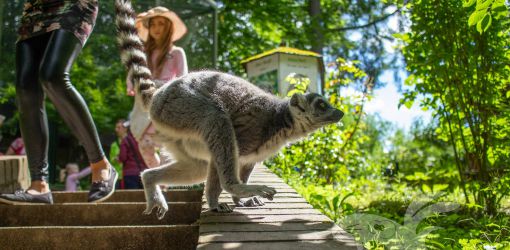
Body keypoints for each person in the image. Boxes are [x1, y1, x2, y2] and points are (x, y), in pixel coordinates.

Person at [0, 0, 116, 205]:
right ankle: (39, 185)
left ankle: (100, 164)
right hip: (35, 9)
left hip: (73, 4)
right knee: (26, 89)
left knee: (52, 76)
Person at [127, 6, 188, 168]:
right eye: (153, 24)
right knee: (145, 145)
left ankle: (166, 183)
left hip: (165, 102)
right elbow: (134, 71)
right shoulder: (143, 53)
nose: (156, 28)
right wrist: (130, 84)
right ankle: (159, 179)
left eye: (161, 24)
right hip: (145, 103)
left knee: (168, 148)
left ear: (168, 27)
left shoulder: (177, 52)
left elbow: (183, 78)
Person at [118, 123, 148, 189]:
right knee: (144, 198)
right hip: (145, 172)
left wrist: (118, 158)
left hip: (130, 174)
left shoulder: (126, 140)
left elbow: (123, 157)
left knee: (132, 197)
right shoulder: (144, 139)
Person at [109, 119, 128, 189]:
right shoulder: (114, 145)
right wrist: (116, 158)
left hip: (129, 175)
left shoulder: (131, 143)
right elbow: (111, 161)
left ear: (125, 129)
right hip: (118, 177)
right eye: (116, 128)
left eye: (119, 127)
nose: (116, 130)